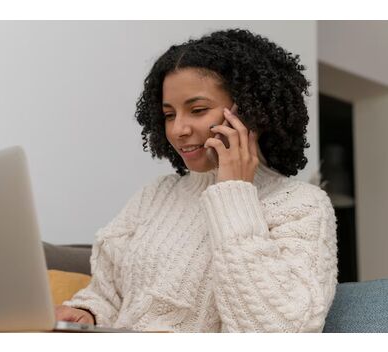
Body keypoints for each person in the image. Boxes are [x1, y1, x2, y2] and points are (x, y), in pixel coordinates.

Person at [55, 28, 338, 332]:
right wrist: (88, 313)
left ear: (252, 110)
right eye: (168, 114)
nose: (178, 129)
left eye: (198, 110)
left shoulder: (301, 206)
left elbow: (279, 330)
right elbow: (108, 293)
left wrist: (234, 194)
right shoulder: (156, 194)